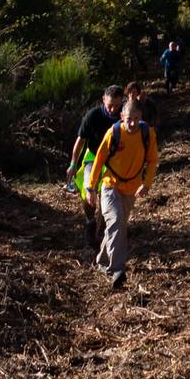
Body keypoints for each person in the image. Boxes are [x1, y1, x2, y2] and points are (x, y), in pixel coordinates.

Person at [83, 95, 158, 289]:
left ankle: (102, 260)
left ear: (140, 116)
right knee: (116, 221)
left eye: (136, 118)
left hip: (131, 189)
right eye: (128, 118)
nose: (132, 123)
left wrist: (147, 184)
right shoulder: (113, 133)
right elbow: (98, 160)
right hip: (110, 185)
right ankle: (117, 270)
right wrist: (91, 187)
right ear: (121, 116)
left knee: (118, 226)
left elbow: (152, 161)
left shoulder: (147, 134)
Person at [69, 86, 124, 249]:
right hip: (93, 157)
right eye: (110, 105)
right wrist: (73, 164)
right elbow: (80, 141)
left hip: (114, 160)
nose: (113, 109)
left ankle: (101, 231)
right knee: (89, 191)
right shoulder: (93, 115)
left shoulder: (124, 116)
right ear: (103, 100)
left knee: (108, 196)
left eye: (117, 105)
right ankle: (90, 221)